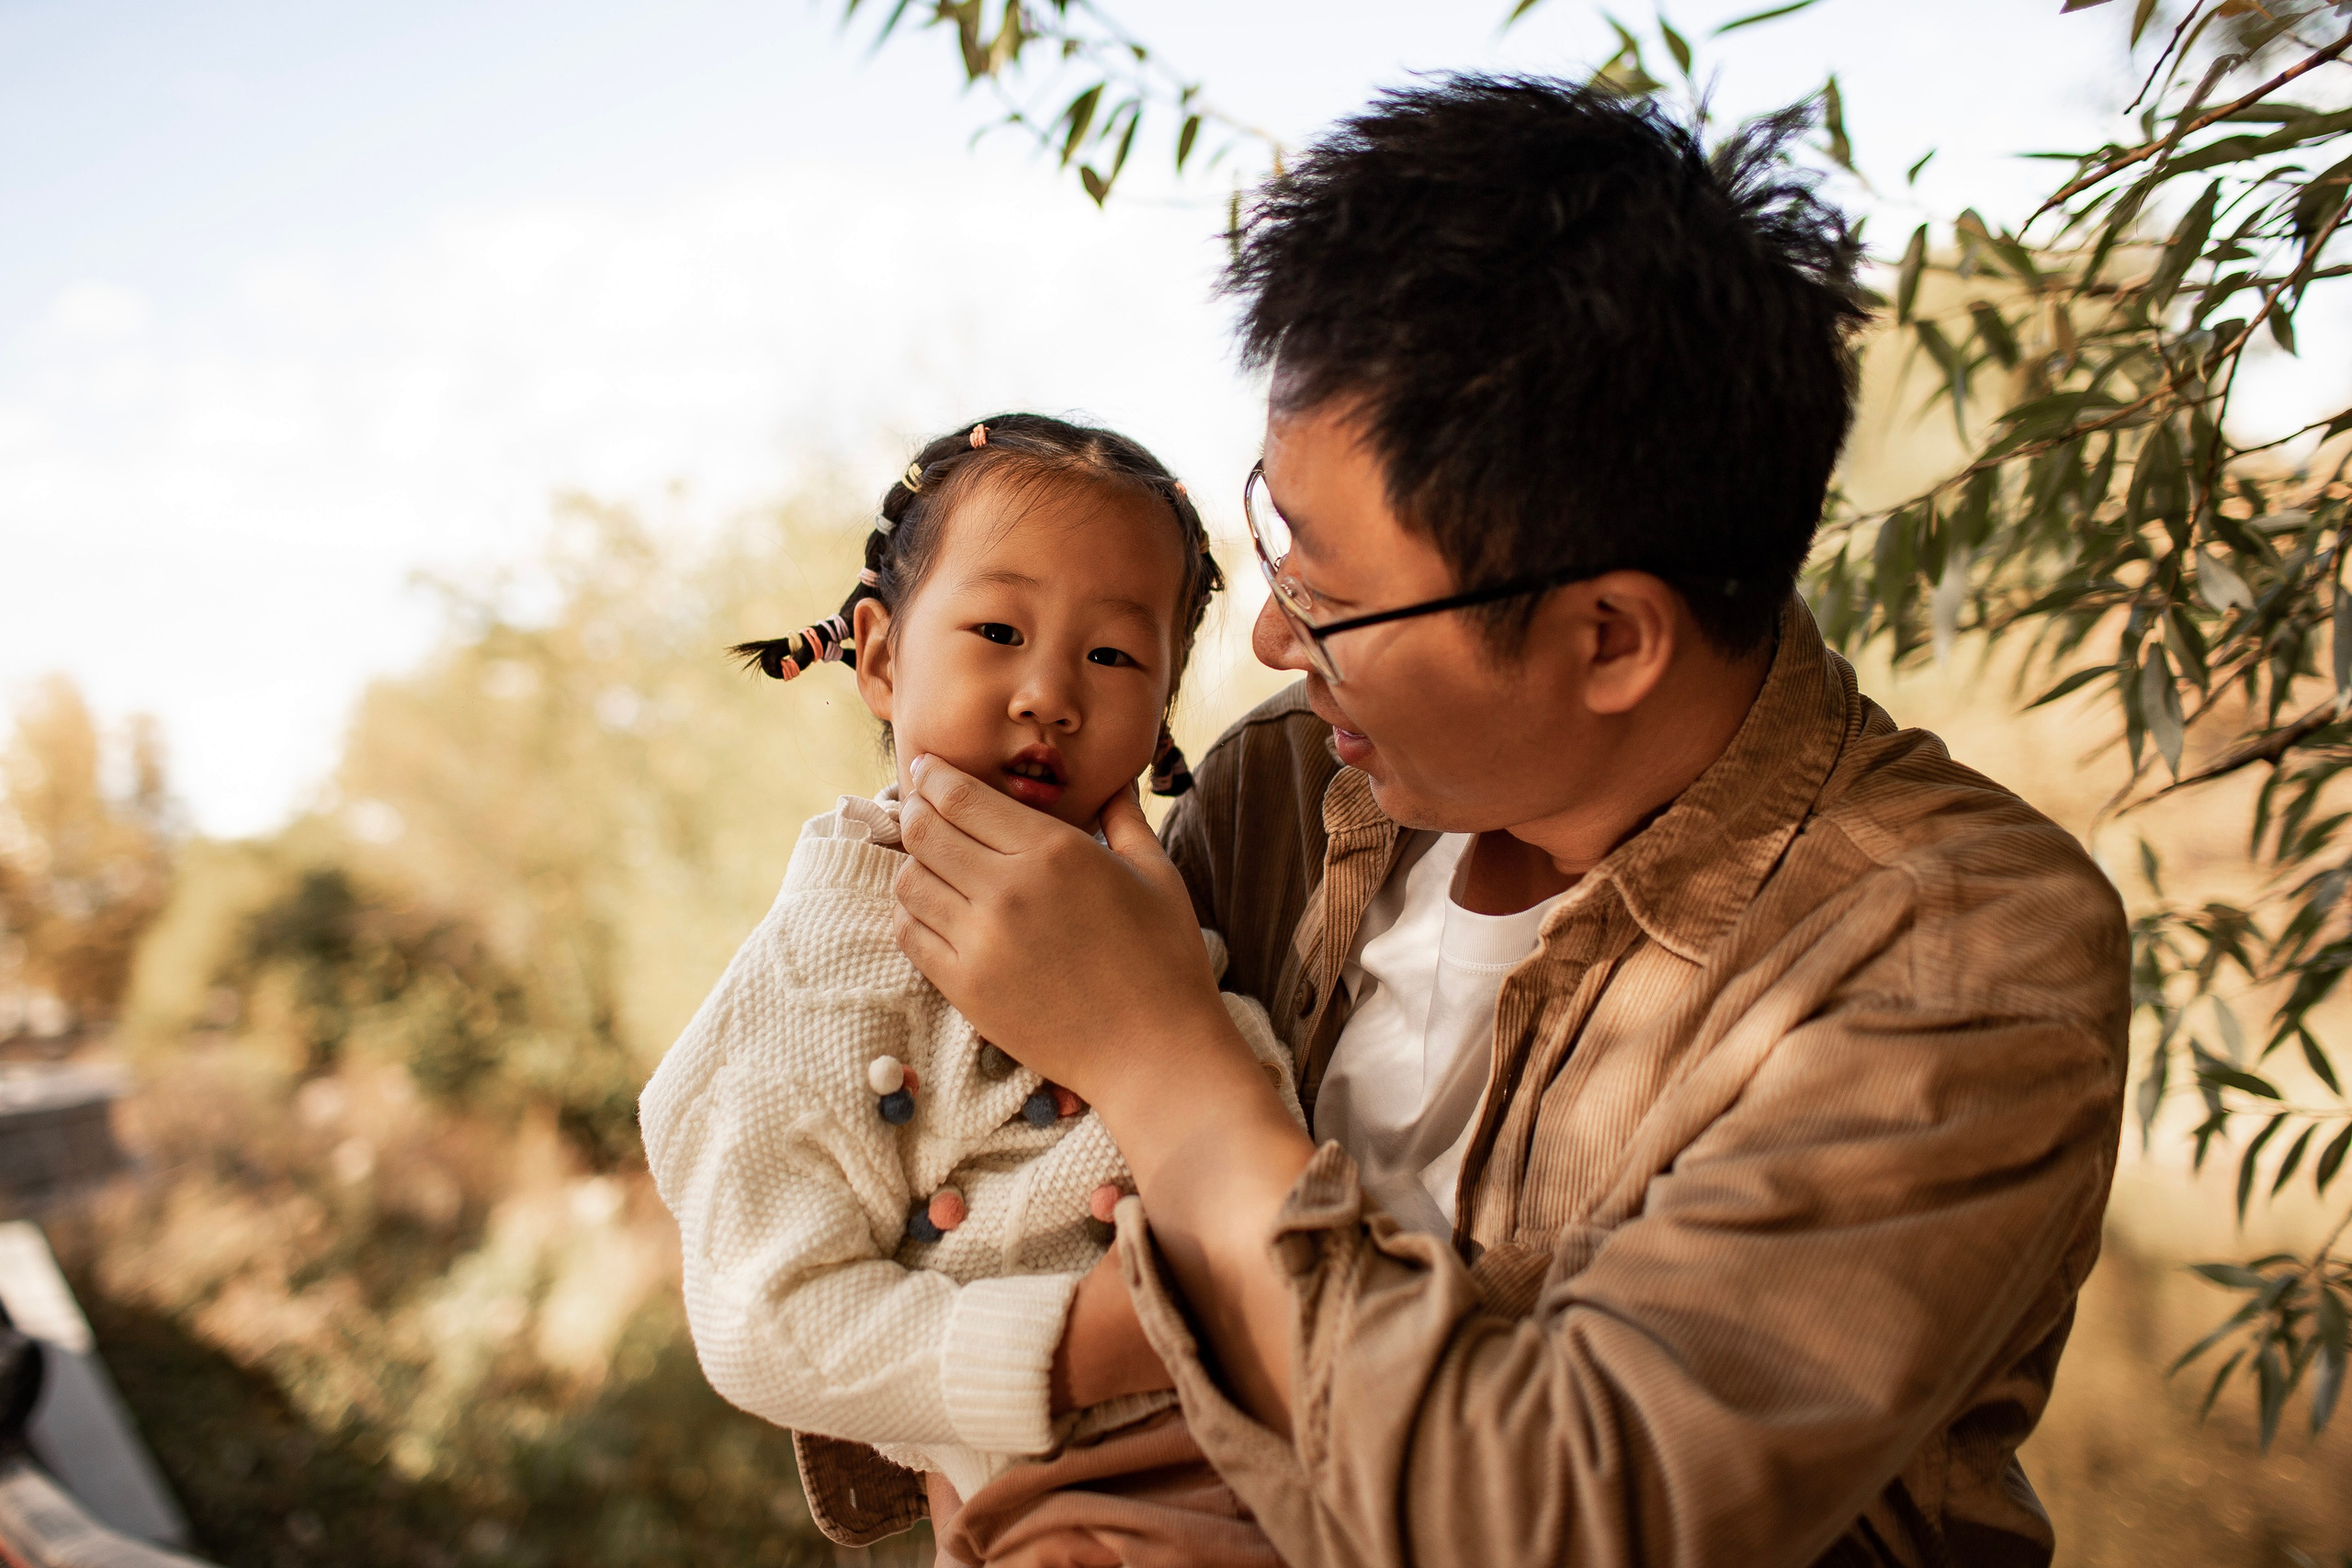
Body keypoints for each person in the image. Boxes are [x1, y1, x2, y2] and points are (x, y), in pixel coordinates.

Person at [887, 79, 2132, 1565]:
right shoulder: (1290, 784)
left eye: (1336, 599)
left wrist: (1166, 1060)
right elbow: (954, 1227)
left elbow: (1567, 1516)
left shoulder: (1950, 950)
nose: (1276, 638)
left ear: (1611, 638)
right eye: (1274, 537)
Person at [639, 414, 1301, 1568]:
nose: (1048, 693)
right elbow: (761, 1322)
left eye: (1112, 656)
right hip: (1074, 1502)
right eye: (997, 630)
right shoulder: (827, 968)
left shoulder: (1175, 898)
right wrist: (1089, 1343)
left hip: (1304, 1440)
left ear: (1160, 718)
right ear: (881, 658)